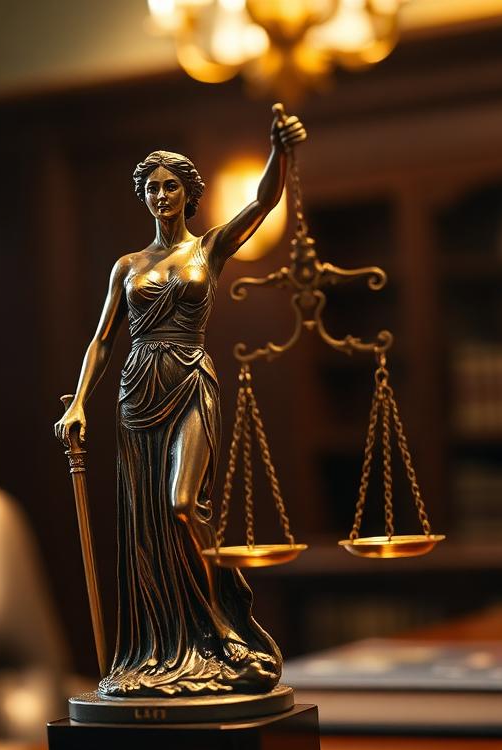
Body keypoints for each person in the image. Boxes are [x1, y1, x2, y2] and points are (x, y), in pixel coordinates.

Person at [54, 105, 307, 698]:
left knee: (182, 504)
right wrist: (80, 404)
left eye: (170, 186)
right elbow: (101, 341)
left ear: (189, 194)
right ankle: (167, 646)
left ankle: (224, 630)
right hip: (137, 392)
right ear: (142, 197)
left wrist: (281, 153)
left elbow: (263, 204)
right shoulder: (127, 266)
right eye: (151, 187)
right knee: (148, 526)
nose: (161, 194)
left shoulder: (210, 249)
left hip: (190, 381)